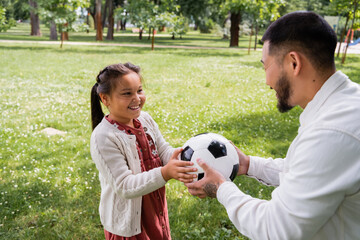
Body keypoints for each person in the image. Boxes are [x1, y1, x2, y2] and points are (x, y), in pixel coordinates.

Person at [185, 11, 360, 240]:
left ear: (294, 63)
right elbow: (305, 173)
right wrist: (248, 164)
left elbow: (276, 228)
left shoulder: (331, 133)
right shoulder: (346, 104)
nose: (267, 82)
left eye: (266, 66)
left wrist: (221, 187)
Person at [90, 62, 197, 239]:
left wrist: (184, 160)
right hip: (128, 223)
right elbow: (124, 186)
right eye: (127, 93)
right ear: (105, 99)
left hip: (153, 209)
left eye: (139, 90)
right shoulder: (104, 137)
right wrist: (165, 173)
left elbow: (162, 151)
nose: (137, 98)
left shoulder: (145, 119)